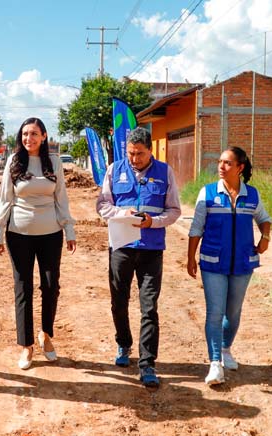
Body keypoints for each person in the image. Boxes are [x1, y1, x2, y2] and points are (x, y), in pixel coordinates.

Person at [95, 127, 181, 388]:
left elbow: (174, 210)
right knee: (118, 301)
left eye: (140, 154)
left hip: (152, 249)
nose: (134, 159)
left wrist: (153, 221)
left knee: (149, 307)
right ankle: (123, 344)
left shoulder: (165, 173)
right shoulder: (114, 170)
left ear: (150, 150)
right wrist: (122, 212)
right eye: (131, 153)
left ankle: (147, 364)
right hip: (121, 247)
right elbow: (101, 205)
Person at [0, 117, 76, 370]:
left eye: (34, 134)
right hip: (18, 234)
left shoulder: (55, 162)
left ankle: (46, 335)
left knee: (51, 286)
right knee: (23, 288)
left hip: (51, 234)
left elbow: (61, 198)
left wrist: (69, 230)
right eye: (25, 134)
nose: (29, 138)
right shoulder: (15, 161)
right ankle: (26, 345)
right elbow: (5, 198)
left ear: (43, 136)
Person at [187, 146, 272, 385]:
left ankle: (225, 349)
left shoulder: (252, 195)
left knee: (233, 311)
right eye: (220, 162)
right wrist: (190, 257)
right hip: (213, 262)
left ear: (240, 168)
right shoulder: (208, 193)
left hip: (243, 262)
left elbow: (264, 219)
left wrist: (264, 239)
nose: (221, 167)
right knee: (215, 312)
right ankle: (214, 364)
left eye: (227, 163)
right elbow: (196, 228)